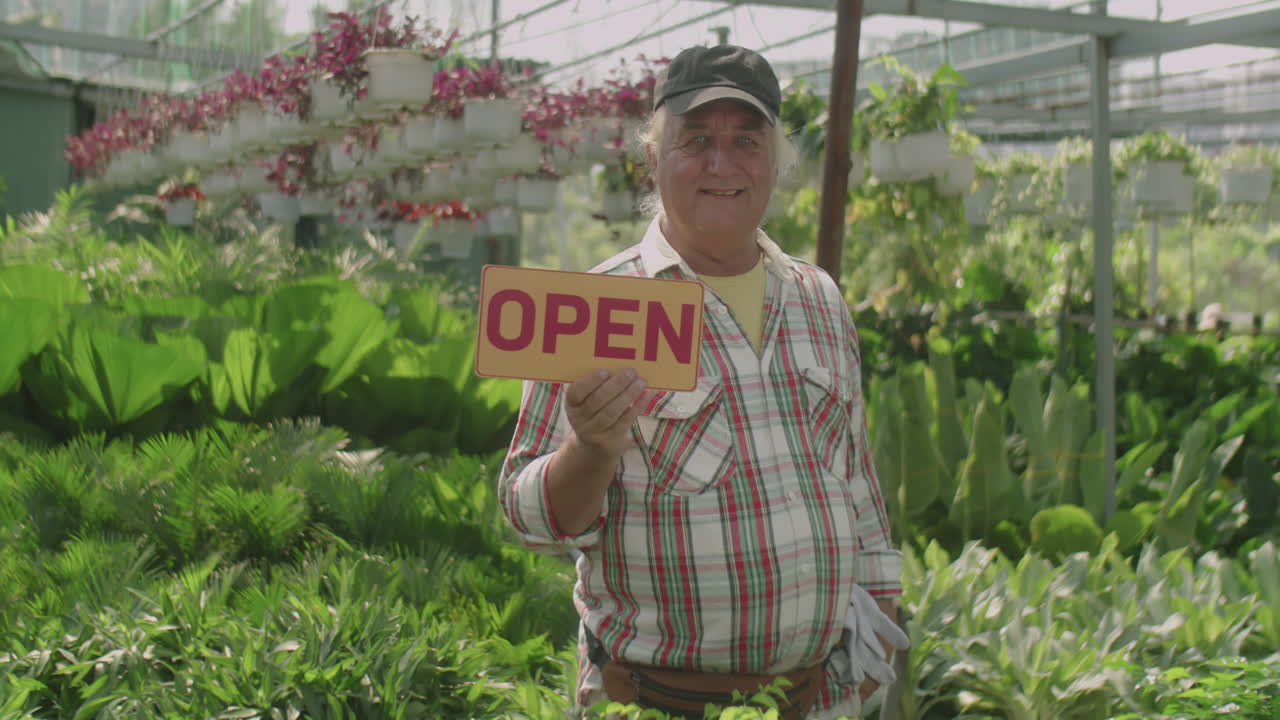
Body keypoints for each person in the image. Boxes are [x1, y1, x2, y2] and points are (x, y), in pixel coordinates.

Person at [499, 44, 905, 720]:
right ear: (654, 160)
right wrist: (590, 451)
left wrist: (877, 647)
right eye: (695, 140)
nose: (722, 163)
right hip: (659, 703)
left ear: (775, 161)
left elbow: (857, 482)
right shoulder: (599, 307)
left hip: (817, 700)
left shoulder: (818, 298)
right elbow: (527, 515)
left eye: (746, 140)